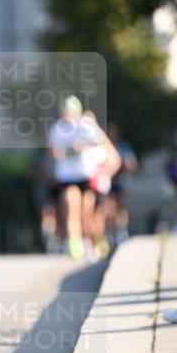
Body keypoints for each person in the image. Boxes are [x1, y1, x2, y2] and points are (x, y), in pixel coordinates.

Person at [46, 98, 120, 260]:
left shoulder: (86, 127)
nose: (67, 116)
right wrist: (57, 155)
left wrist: (106, 172)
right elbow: (51, 154)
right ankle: (74, 243)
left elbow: (108, 149)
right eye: (65, 112)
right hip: (66, 177)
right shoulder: (56, 129)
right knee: (70, 206)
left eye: (71, 113)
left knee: (87, 215)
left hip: (86, 176)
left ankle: (94, 240)